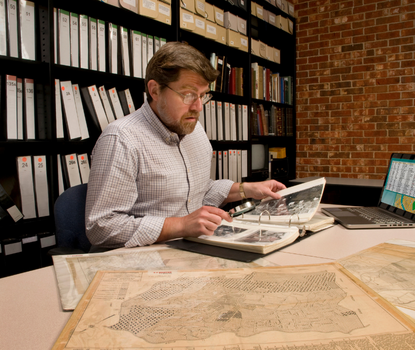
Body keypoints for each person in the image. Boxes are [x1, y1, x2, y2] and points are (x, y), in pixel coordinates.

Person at [85, 41, 286, 250]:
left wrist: (246, 190)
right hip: (142, 262)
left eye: (202, 95)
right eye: (188, 95)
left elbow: (198, 191)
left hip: (191, 250)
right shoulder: (121, 138)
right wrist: (180, 225)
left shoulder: (194, 131)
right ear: (155, 90)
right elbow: (101, 227)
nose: (198, 107)